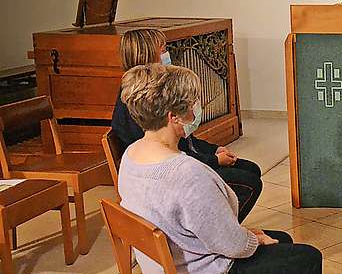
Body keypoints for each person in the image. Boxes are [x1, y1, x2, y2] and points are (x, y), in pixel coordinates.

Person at [116, 63, 342, 274]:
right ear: (173, 117)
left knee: (285, 242)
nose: (197, 110)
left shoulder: (131, 155)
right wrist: (255, 238)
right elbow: (233, 245)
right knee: (307, 259)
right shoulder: (185, 174)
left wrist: (253, 236)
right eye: (192, 105)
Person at [112, 28, 263, 221]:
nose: (167, 53)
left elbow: (185, 140)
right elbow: (170, 155)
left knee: (251, 169)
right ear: (148, 53)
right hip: (171, 175)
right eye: (163, 48)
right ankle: (218, 228)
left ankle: (222, 225)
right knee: (248, 182)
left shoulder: (154, 90)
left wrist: (214, 149)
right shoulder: (139, 102)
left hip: (184, 160)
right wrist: (214, 161)